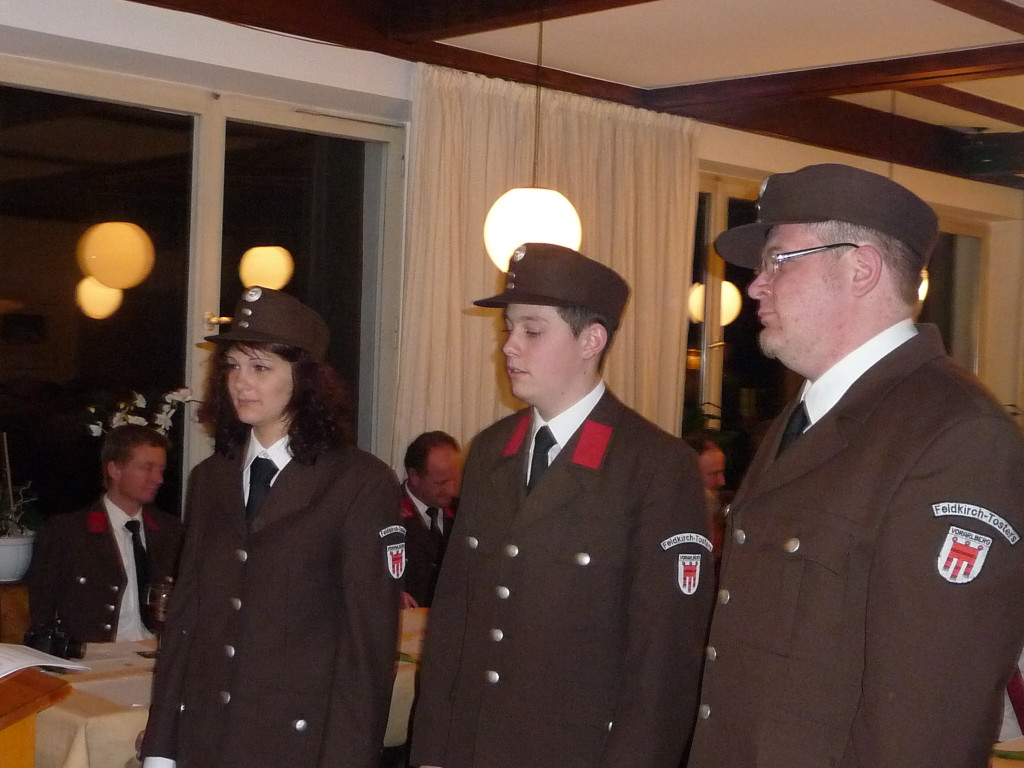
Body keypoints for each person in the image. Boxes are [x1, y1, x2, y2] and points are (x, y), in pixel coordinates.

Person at [687, 163, 1024, 768]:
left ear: (861, 270)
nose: (757, 285)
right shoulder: (806, 416)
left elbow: (927, 716)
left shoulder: (955, 434)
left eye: (779, 260)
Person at [410, 243, 713, 768]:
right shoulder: (491, 450)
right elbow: (454, 619)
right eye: (509, 328)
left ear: (591, 340)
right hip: (474, 745)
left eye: (532, 330)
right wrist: (433, 751)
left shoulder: (654, 465)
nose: (509, 346)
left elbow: (663, 658)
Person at [140, 287, 404, 768]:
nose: (240, 381)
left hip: (296, 746)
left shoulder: (358, 484)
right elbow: (185, 621)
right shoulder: (210, 479)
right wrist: (161, 748)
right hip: (205, 740)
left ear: (304, 379)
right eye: (233, 366)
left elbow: (367, 649)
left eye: (260, 367)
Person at [26, 424, 184, 643]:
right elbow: (41, 613)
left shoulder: (171, 531)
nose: (158, 479)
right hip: (92, 656)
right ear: (114, 470)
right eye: (147, 467)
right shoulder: (66, 534)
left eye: (161, 469)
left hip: (159, 652)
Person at [401, 430, 461, 608]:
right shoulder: (386, 511)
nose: (452, 490)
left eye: (455, 479)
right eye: (442, 483)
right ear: (414, 477)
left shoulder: (464, 510)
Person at [683, 431, 727, 561]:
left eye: (722, 473)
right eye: (714, 474)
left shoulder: (718, 510)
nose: (722, 481)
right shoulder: (678, 518)